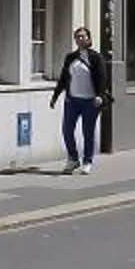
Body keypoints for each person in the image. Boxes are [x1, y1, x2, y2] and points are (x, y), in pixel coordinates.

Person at [48, 25, 110, 175]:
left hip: (90, 101)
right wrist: (55, 96)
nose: (80, 39)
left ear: (89, 38)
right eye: (77, 36)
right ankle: (73, 158)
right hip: (72, 100)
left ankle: (87, 161)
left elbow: (102, 78)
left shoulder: (96, 57)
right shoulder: (71, 57)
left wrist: (100, 96)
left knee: (87, 131)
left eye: (83, 36)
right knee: (67, 130)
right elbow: (63, 78)